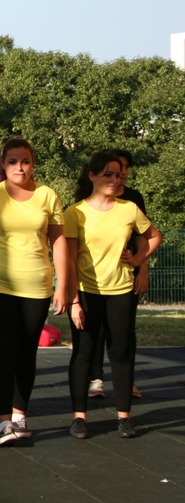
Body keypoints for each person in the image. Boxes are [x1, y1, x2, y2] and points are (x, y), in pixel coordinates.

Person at [0, 137, 68, 446]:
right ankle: (3, 422)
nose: (19, 167)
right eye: (12, 161)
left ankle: (19, 414)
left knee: (26, 353)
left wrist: (62, 285)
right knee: (2, 353)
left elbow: (59, 242)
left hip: (36, 286)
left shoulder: (48, 195)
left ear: (33, 163)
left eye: (25, 161)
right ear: (3, 164)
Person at [65, 151, 162, 439]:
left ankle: (124, 417)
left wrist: (137, 260)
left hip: (121, 291)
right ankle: (79, 418)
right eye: (107, 174)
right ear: (92, 175)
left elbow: (154, 236)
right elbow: (69, 260)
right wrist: (73, 301)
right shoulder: (75, 212)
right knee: (83, 354)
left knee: (120, 353)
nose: (114, 179)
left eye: (118, 174)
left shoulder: (129, 209)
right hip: (86, 292)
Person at [88, 148, 148, 399]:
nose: (120, 174)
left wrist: (140, 268)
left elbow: (144, 237)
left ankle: (126, 382)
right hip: (93, 278)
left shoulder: (132, 201)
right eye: (113, 170)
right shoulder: (87, 199)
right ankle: (96, 378)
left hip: (124, 276)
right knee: (97, 331)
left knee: (124, 332)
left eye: (124, 169)